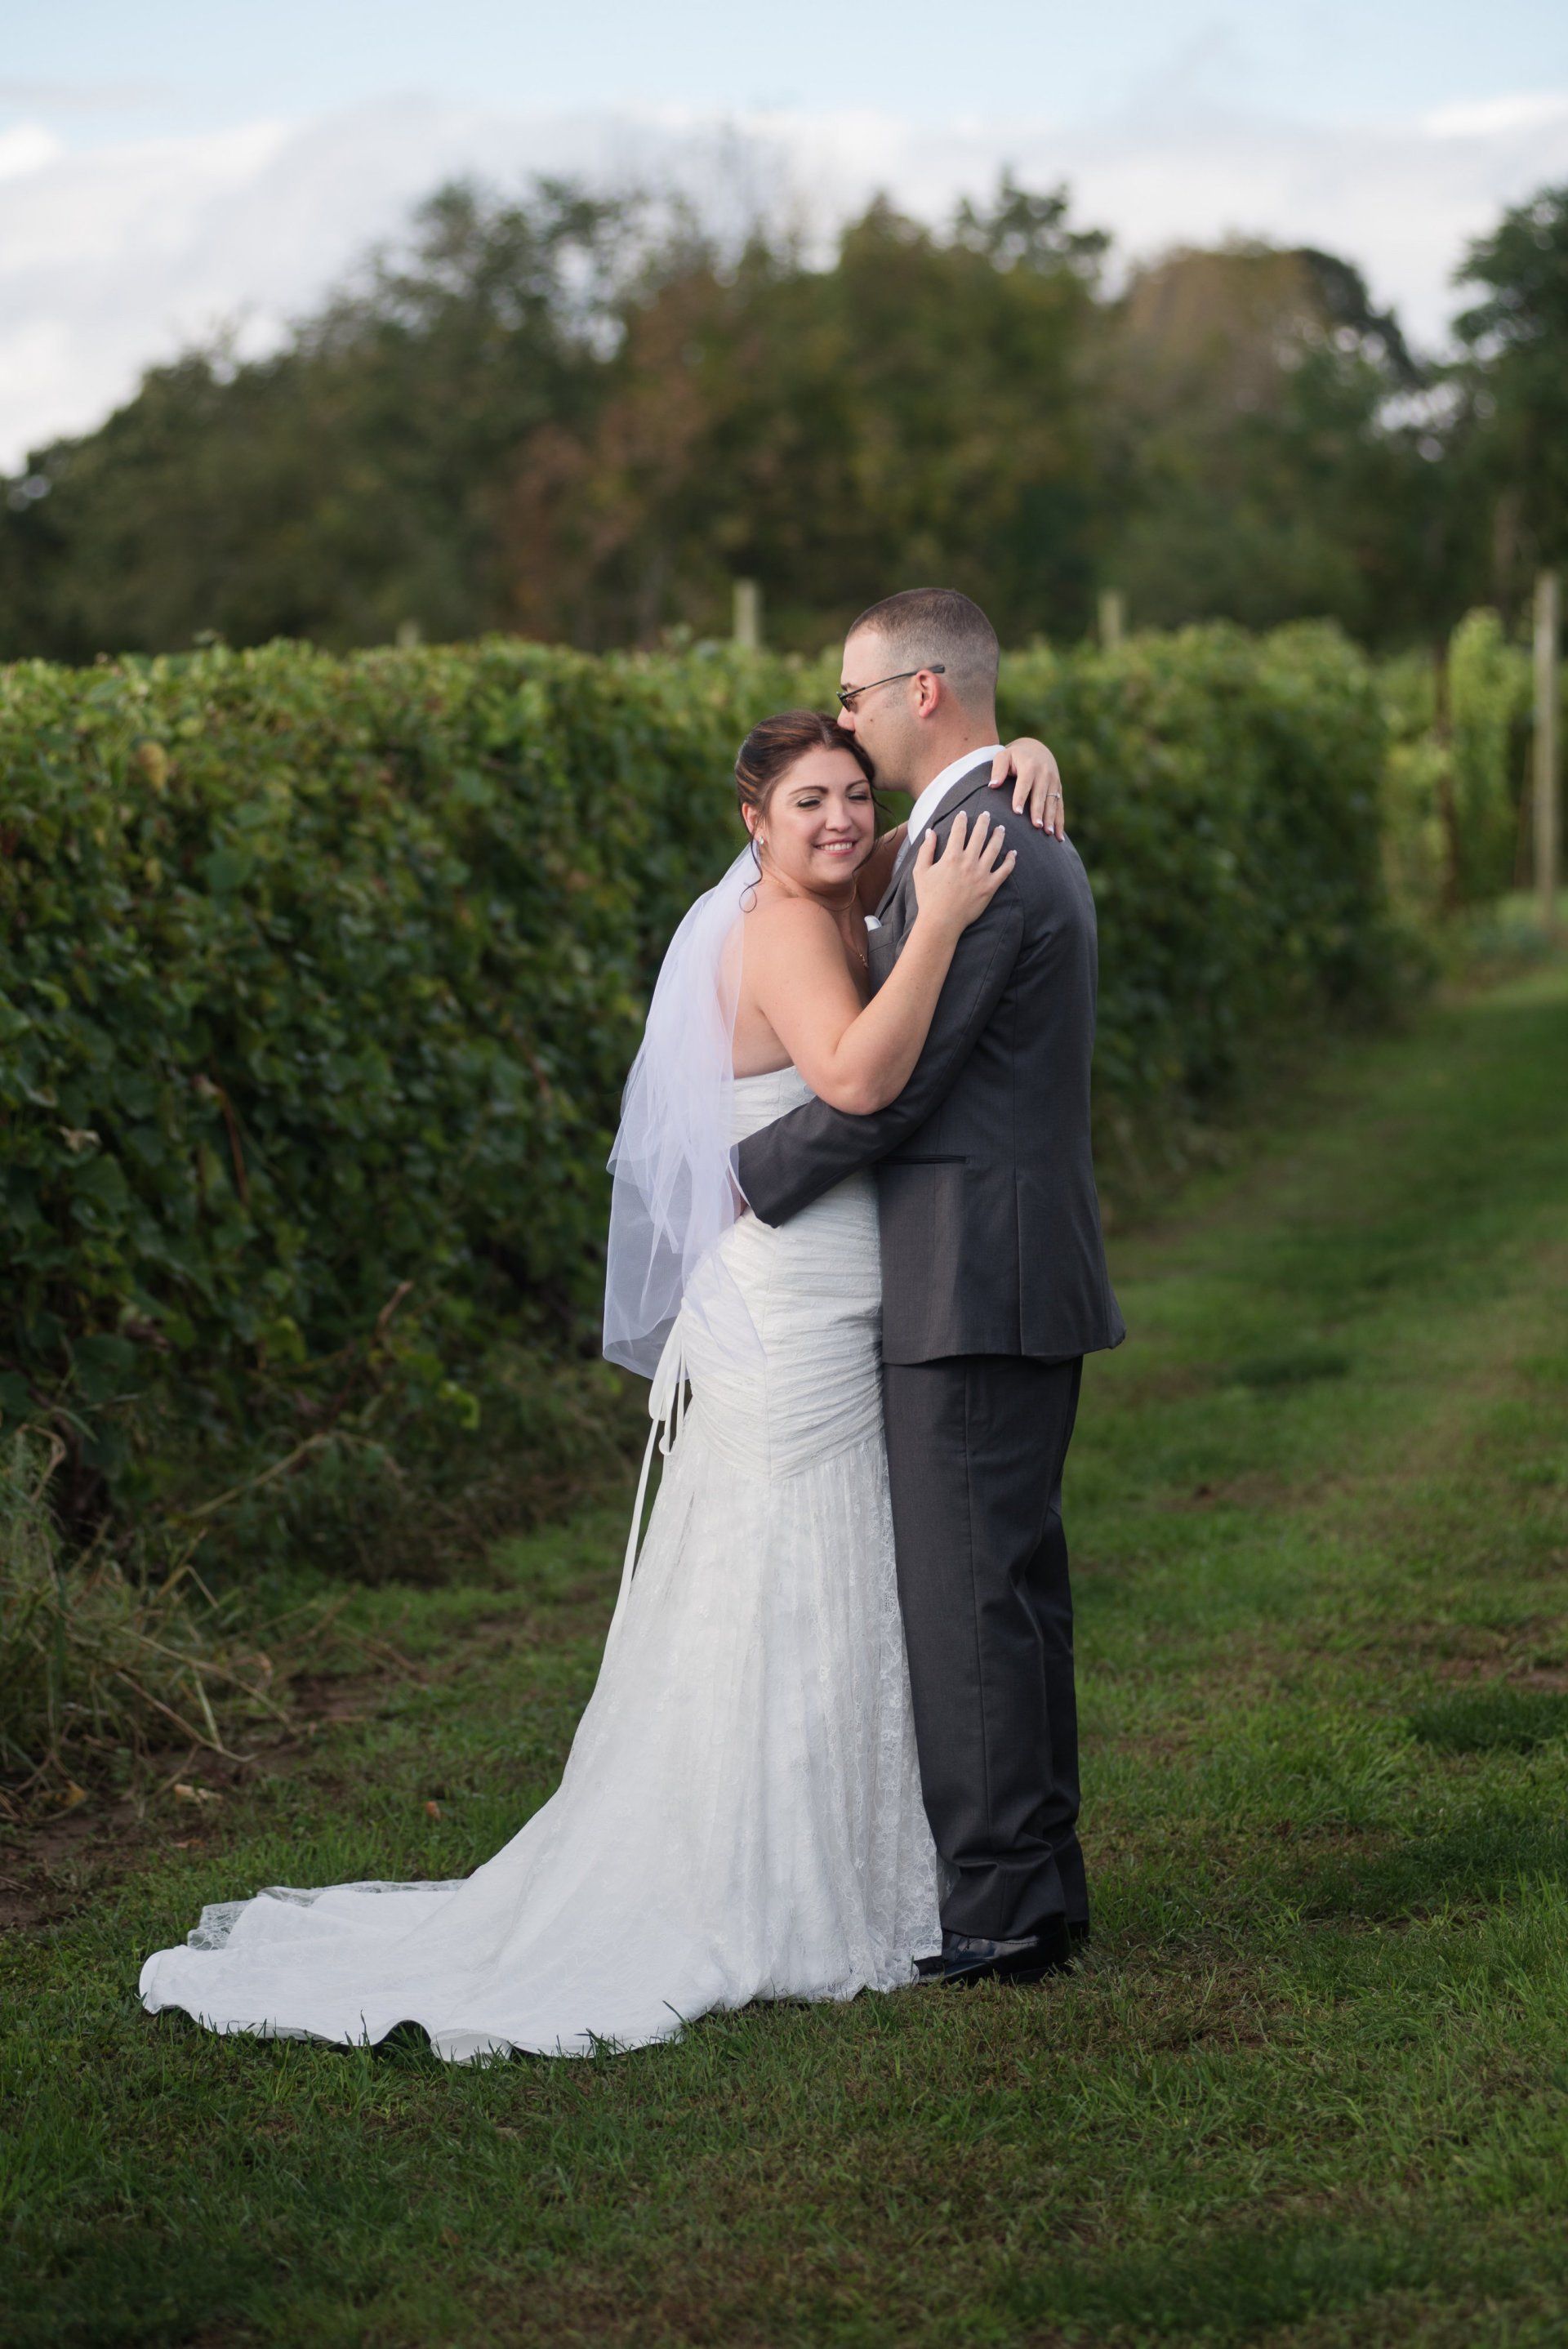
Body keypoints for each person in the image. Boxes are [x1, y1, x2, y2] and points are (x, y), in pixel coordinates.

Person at [137, 702, 1068, 2059]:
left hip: (832, 1284)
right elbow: (862, 1081)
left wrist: (1023, 754)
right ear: (751, 821)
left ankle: (870, 1861)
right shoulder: (785, 926)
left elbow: (938, 811)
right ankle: (759, 1879)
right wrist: (937, 931)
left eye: (855, 795)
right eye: (807, 802)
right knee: (789, 1558)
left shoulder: (837, 884)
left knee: (833, 1560)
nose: (842, 821)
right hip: (794, 1300)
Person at [735, 588, 1125, 1987]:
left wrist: (750, 1173)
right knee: (1011, 1588)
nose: (843, 724)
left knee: (970, 1600)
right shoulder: (985, 823)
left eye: (852, 696)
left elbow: (893, 1089)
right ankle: (1042, 1880)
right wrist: (1033, 748)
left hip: (976, 1271)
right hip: (1000, 1261)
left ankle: (1003, 1910)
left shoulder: (985, 847)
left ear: (923, 693)